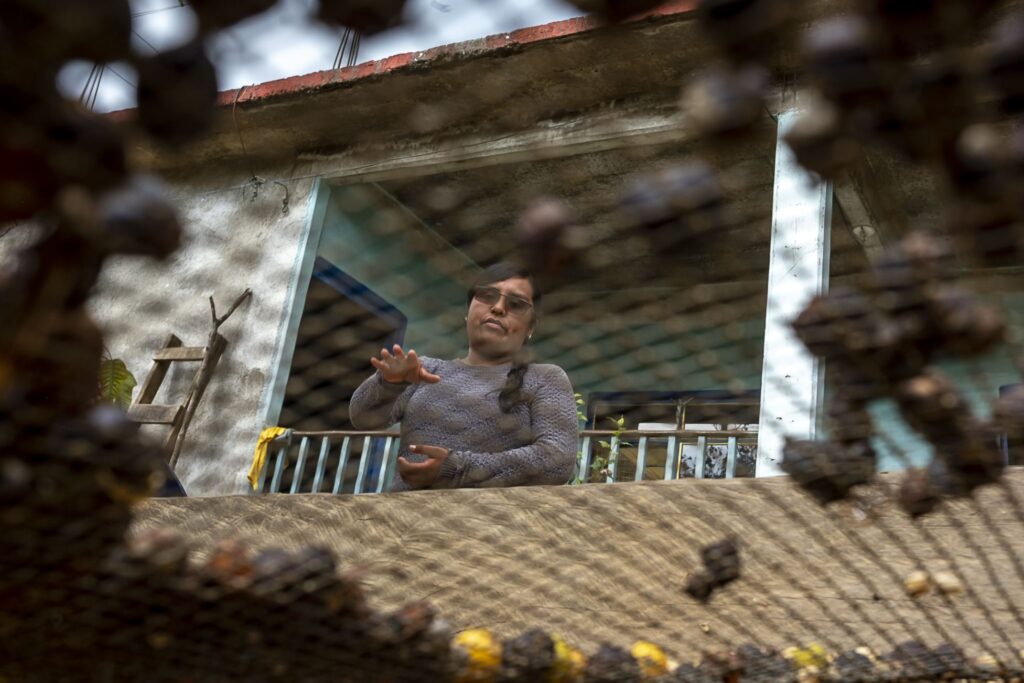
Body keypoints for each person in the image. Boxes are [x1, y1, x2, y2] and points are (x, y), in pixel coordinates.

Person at [349, 263, 578, 491]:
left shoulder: (545, 378)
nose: (498, 308)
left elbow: (557, 459)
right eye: (487, 296)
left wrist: (456, 468)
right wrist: (389, 384)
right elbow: (362, 417)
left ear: (530, 328)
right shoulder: (423, 369)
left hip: (492, 522)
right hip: (403, 518)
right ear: (467, 313)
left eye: (516, 304)